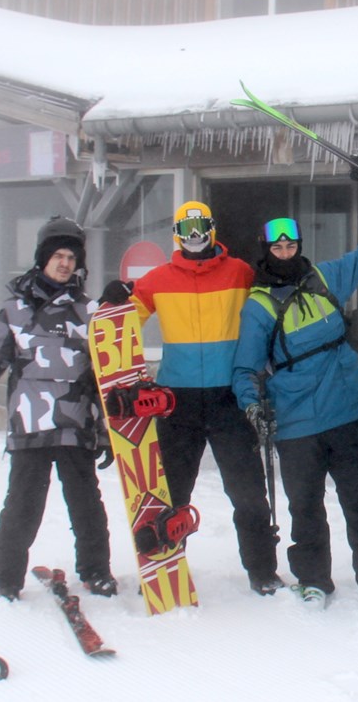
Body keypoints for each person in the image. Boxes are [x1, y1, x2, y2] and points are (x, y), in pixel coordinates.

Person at [99, 201, 283, 596]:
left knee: (248, 491)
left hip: (229, 397)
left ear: (212, 229)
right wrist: (111, 301)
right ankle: (164, 567)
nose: (195, 235)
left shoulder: (241, 273)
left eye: (201, 226)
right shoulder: (157, 279)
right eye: (187, 227)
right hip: (177, 400)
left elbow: (268, 312)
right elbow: (121, 324)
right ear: (177, 234)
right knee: (172, 491)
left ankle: (263, 571)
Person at [232, 199, 358, 609]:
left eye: (291, 246)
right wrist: (252, 404)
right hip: (296, 423)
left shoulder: (323, 278)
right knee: (305, 507)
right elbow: (245, 369)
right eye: (277, 247)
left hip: (345, 412)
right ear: (266, 250)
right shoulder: (258, 305)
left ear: (299, 246)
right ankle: (313, 580)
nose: (285, 253)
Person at [0, 216, 117, 601]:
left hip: (75, 423)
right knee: (22, 506)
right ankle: (7, 580)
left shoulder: (89, 310)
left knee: (86, 506)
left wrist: (108, 432)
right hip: (30, 426)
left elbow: (104, 374)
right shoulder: (14, 308)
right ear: (42, 258)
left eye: (71, 257)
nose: (65, 263)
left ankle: (96, 571)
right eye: (58, 256)